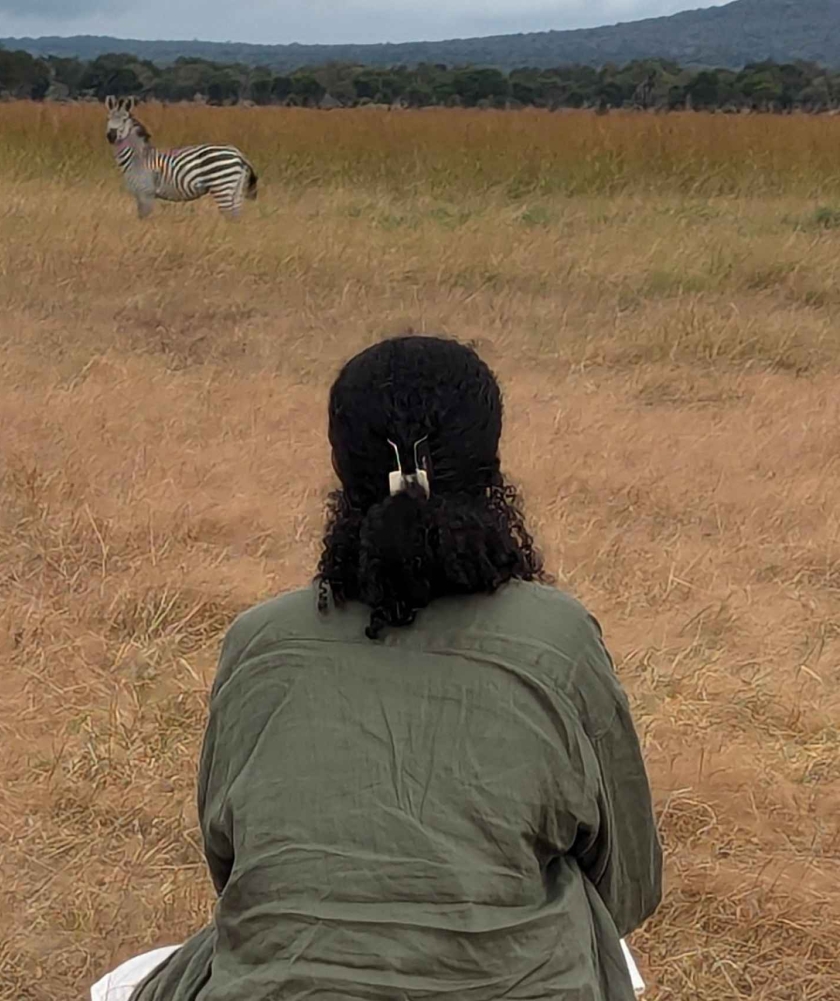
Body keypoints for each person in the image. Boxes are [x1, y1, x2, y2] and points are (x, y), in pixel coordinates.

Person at [109, 335, 663, 1001]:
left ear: (344, 470)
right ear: (489, 468)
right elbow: (627, 884)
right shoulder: (559, 636)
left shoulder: (259, 640)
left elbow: (234, 868)